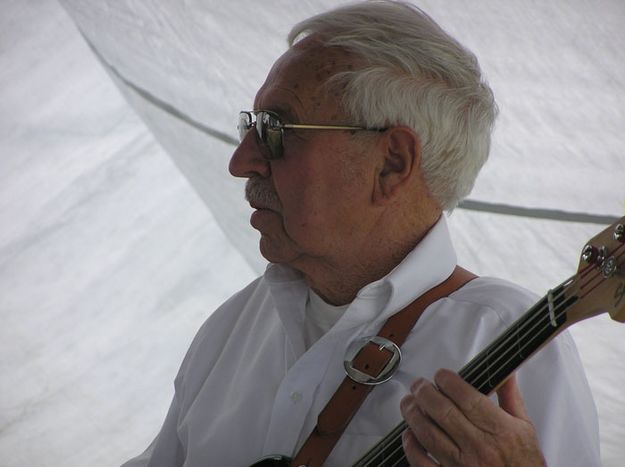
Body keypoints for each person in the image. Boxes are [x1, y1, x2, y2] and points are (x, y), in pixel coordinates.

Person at [123, 2, 600, 466]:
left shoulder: (509, 337)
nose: (240, 161)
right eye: (249, 126)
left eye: (274, 129)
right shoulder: (231, 330)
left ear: (392, 163)